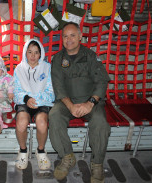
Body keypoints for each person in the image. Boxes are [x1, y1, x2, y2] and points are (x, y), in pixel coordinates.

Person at [49, 22, 111, 182]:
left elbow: (102, 81)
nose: (68, 39)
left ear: (80, 36)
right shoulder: (57, 59)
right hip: (66, 102)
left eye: (72, 35)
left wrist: (89, 103)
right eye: (65, 36)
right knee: (54, 115)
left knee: (101, 122)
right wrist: (70, 106)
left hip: (90, 102)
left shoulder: (90, 56)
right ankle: (67, 157)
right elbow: (58, 85)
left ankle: (97, 164)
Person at [13, 39, 55, 170]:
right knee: (21, 122)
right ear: (25, 53)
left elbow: (51, 92)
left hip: (42, 102)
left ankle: (41, 151)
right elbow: (16, 91)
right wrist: (26, 99)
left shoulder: (47, 68)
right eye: (30, 52)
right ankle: (23, 151)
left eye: (36, 52)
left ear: (41, 54)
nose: (32, 56)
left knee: (42, 122)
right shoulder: (19, 69)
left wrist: (36, 100)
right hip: (24, 101)